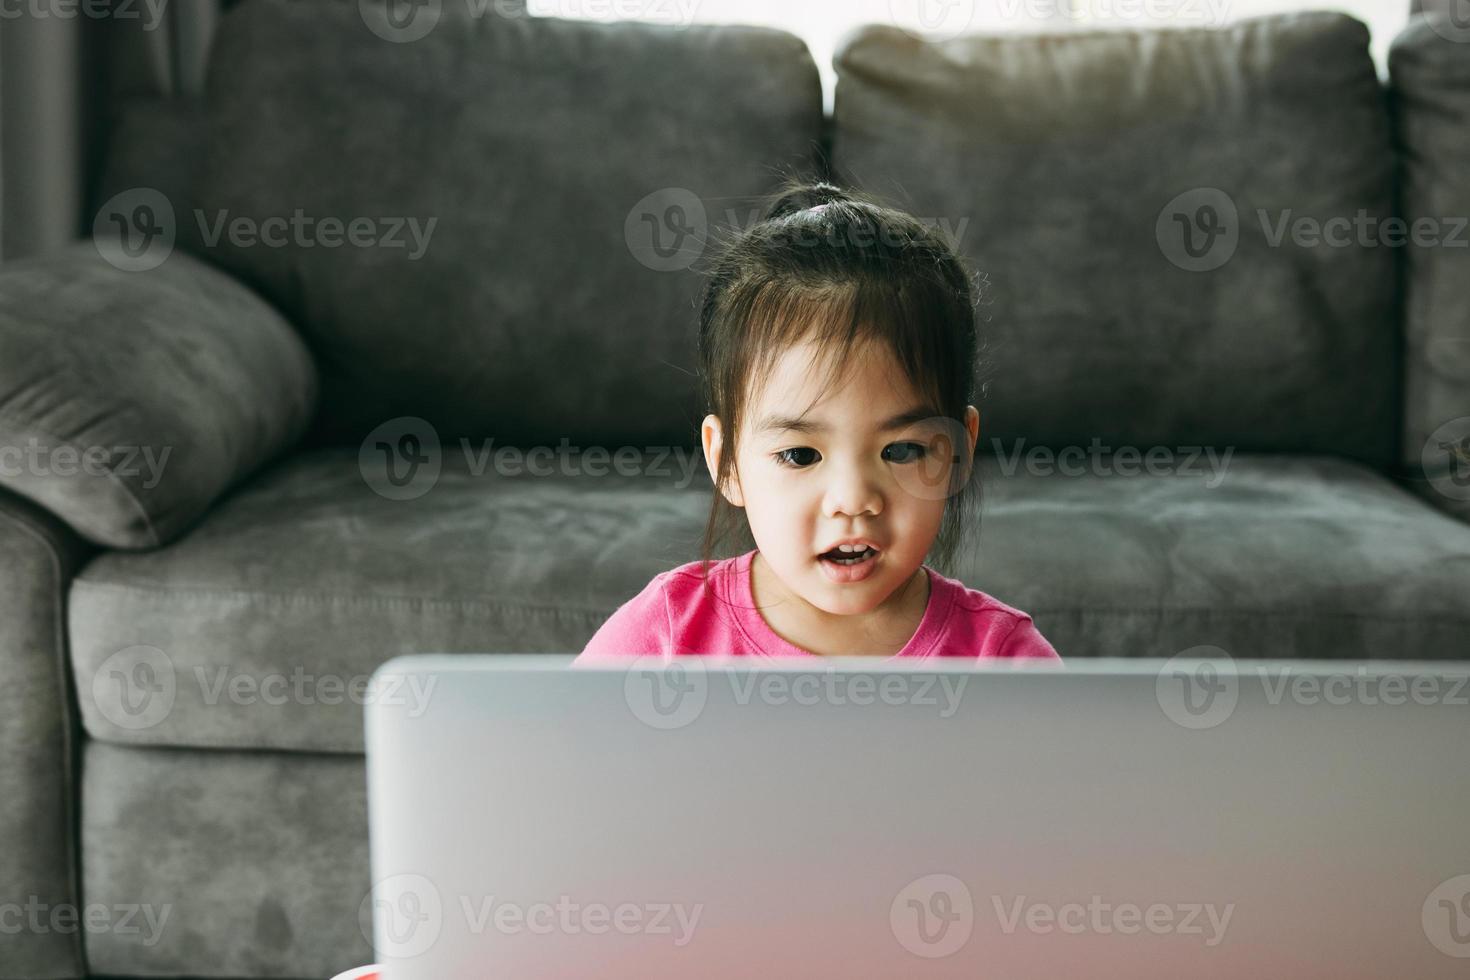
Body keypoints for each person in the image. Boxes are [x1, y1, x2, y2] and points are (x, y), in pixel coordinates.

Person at [576, 177, 1060, 662]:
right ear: (726, 462)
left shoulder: (1003, 661)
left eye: (902, 450)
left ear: (957, 453)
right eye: (800, 455)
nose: (853, 500)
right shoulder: (663, 639)